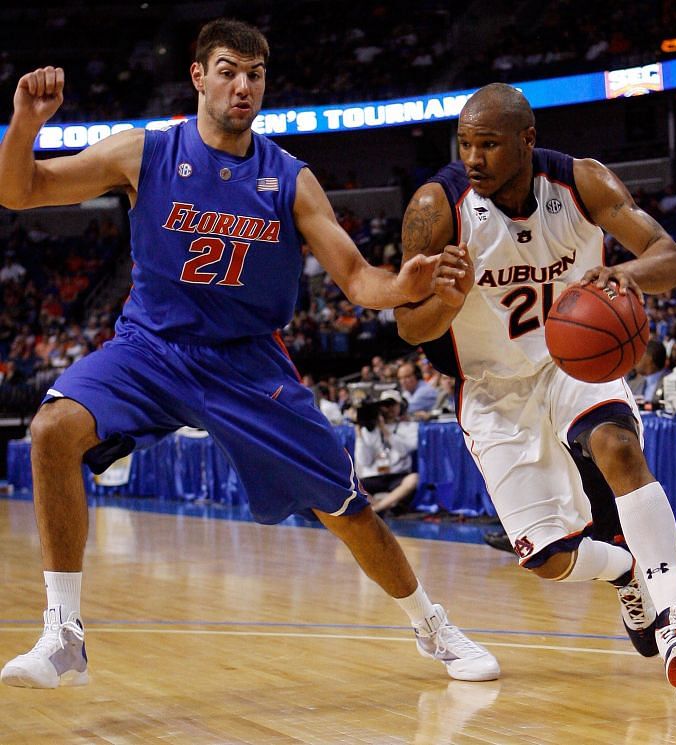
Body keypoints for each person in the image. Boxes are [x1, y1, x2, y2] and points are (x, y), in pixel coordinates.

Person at [0, 19, 499, 688]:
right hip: (151, 347)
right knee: (52, 428)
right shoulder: (141, 152)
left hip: (245, 363)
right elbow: (19, 190)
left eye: (255, 75)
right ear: (199, 76)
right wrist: (25, 123)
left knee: (345, 507)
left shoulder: (289, 179)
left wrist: (399, 286)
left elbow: (358, 279)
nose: (243, 86)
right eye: (229, 70)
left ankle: (431, 624)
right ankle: (63, 634)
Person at [395, 83, 676, 699]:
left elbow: (669, 258)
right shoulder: (437, 208)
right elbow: (410, 326)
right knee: (547, 558)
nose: (473, 158)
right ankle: (625, 569)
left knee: (618, 449)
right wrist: (446, 300)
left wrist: (619, 273)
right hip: (490, 387)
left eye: (488, 144)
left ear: (527, 140)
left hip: (570, 361)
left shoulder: (583, 183)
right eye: (464, 143)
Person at [354, 389, 419, 515]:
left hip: (397, 475)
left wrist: (385, 431)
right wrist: (359, 436)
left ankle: (376, 507)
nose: (389, 409)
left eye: (392, 404)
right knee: (351, 481)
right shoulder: (369, 430)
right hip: (373, 476)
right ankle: (387, 504)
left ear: (401, 406)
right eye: (385, 405)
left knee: (413, 479)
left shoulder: (409, 427)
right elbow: (364, 461)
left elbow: (403, 452)